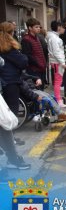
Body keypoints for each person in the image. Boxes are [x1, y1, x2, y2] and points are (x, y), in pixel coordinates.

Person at [0, 22, 32, 170]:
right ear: (11, 33)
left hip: (6, 84)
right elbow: (23, 61)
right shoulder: (9, 47)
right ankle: (12, 158)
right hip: (9, 84)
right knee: (7, 121)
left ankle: (10, 154)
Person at [20, 18, 47, 85]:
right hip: (33, 70)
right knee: (36, 90)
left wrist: (43, 64)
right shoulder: (26, 39)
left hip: (41, 68)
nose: (38, 28)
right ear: (30, 28)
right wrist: (39, 63)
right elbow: (28, 56)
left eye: (39, 27)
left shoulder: (37, 37)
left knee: (42, 89)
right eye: (36, 27)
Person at [47, 21, 66, 108]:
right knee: (58, 82)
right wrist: (62, 62)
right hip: (57, 63)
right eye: (63, 27)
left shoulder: (53, 37)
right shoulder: (55, 38)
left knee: (58, 81)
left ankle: (58, 99)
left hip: (56, 62)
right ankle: (58, 100)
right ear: (59, 27)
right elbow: (56, 52)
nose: (64, 29)